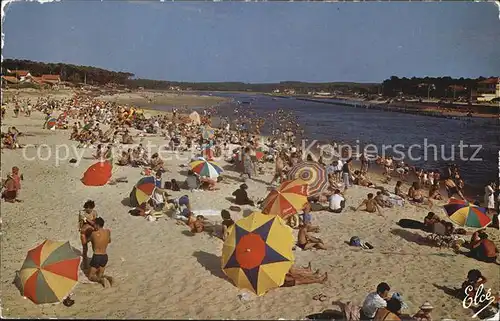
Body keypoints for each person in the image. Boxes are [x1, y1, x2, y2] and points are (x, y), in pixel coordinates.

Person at [88, 217, 113, 288]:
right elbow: (109, 241)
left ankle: (101, 280)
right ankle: (108, 278)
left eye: (94, 224)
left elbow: (86, 241)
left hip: (97, 256)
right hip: (105, 256)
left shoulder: (93, 234)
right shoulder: (108, 232)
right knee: (100, 275)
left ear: (97, 225)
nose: (93, 226)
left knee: (91, 276)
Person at [79, 200, 98, 265]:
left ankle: (94, 262)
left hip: (91, 232)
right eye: (89, 208)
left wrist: (88, 220)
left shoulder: (94, 212)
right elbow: (83, 221)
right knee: (85, 249)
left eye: (91, 208)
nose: (90, 210)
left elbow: (95, 223)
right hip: (84, 233)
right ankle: (85, 263)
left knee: (95, 248)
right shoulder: (82, 213)